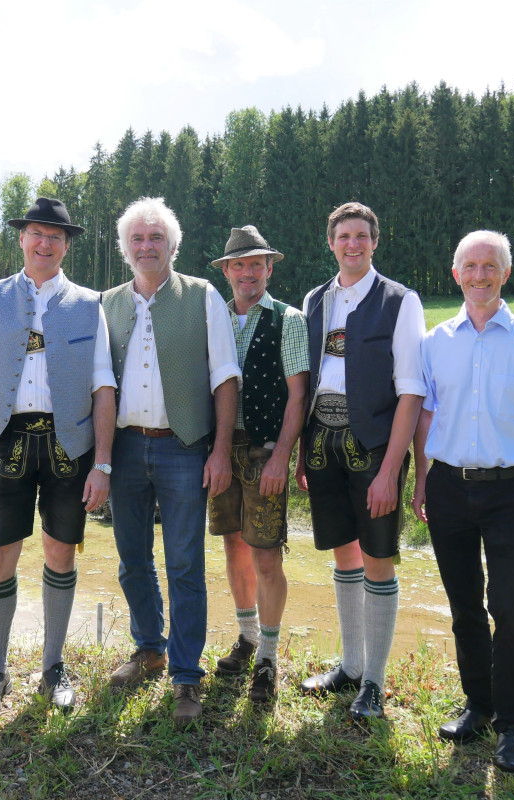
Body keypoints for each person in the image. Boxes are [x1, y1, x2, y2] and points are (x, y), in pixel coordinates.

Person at [412, 230, 514, 773]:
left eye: (490, 266)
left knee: (508, 609)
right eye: (470, 266)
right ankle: (478, 706)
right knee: (464, 607)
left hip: (510, 490)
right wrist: (421, 481)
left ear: (505, 274)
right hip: (448, 487)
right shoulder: (436, 341)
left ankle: (512, 727)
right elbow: (426, 417)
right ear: (454, 273)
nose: (480, 275)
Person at [0, 198, 116, 717]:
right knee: (0, 555)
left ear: (67, 245)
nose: (45, 243)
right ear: (22, 239)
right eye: (36, 233)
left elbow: (102, 384)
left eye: (55, 236)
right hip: (6, 438)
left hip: (68, 444)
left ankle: (53, 666)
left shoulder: (89, 303)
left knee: (59, 552)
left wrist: (103, 463)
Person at [103, 197, 241, 724]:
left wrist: (220, 451)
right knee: (132, 559)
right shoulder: (107, 303)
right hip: (126, 448)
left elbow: (225, 377)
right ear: (125, 248)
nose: (146, 246)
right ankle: (149, 648)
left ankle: (186, 676)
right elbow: (98, 384)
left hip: (185, 446)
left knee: (185, 565)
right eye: (137, 238)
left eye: (155, 237)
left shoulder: (203, 296)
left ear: (172, 245)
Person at [296, 201, 426, 720]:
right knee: (342, 553)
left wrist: (392, 469)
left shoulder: (400, 300)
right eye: (344, 236)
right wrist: (305, 452)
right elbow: (309, 377)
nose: (353, 244)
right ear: (331, 242)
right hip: (322, 442)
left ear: (375, 242)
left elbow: (412, 391)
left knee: (378, 556)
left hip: (373, 447)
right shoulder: (314, 299)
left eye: (362, 236)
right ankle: (349, 666)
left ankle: (374, 681)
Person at [206, 226, 308, 704]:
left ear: (269, 269)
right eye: (239, 265)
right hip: (223, 448)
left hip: (266, 449)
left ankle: (268, 654)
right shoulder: (214, 318)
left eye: (256, 264)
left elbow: (297, 395)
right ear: (226, 271)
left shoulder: (289, 319)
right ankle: (246, 638)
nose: (248, 272)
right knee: (232, 545)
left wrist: (282, 457)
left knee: (266, 552)